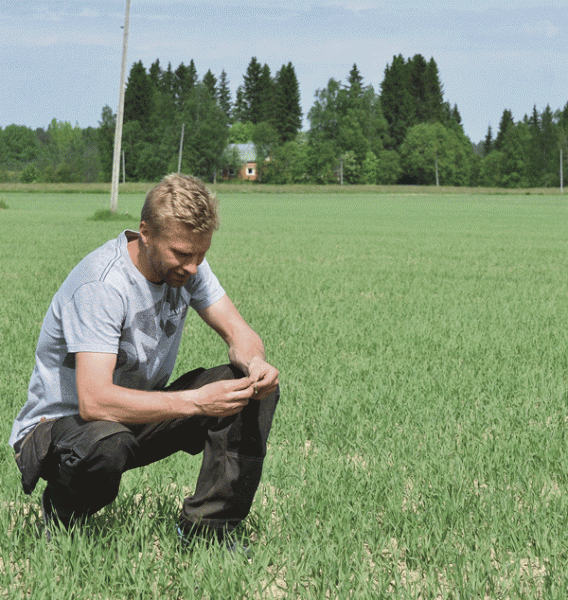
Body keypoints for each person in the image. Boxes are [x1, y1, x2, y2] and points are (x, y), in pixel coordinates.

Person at [9, 173, 280, 545]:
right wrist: (196, 401)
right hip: (64, 430)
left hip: (133, 418)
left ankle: (207, 532)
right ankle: (61, 517)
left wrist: (256, 364)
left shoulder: (188, 270)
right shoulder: (102, 286)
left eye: (202, 254)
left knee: (249, 391)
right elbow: (94, 401)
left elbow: (238, 332)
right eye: (183, 254)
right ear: (145, 233)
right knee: (107, 443)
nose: (193, 266)